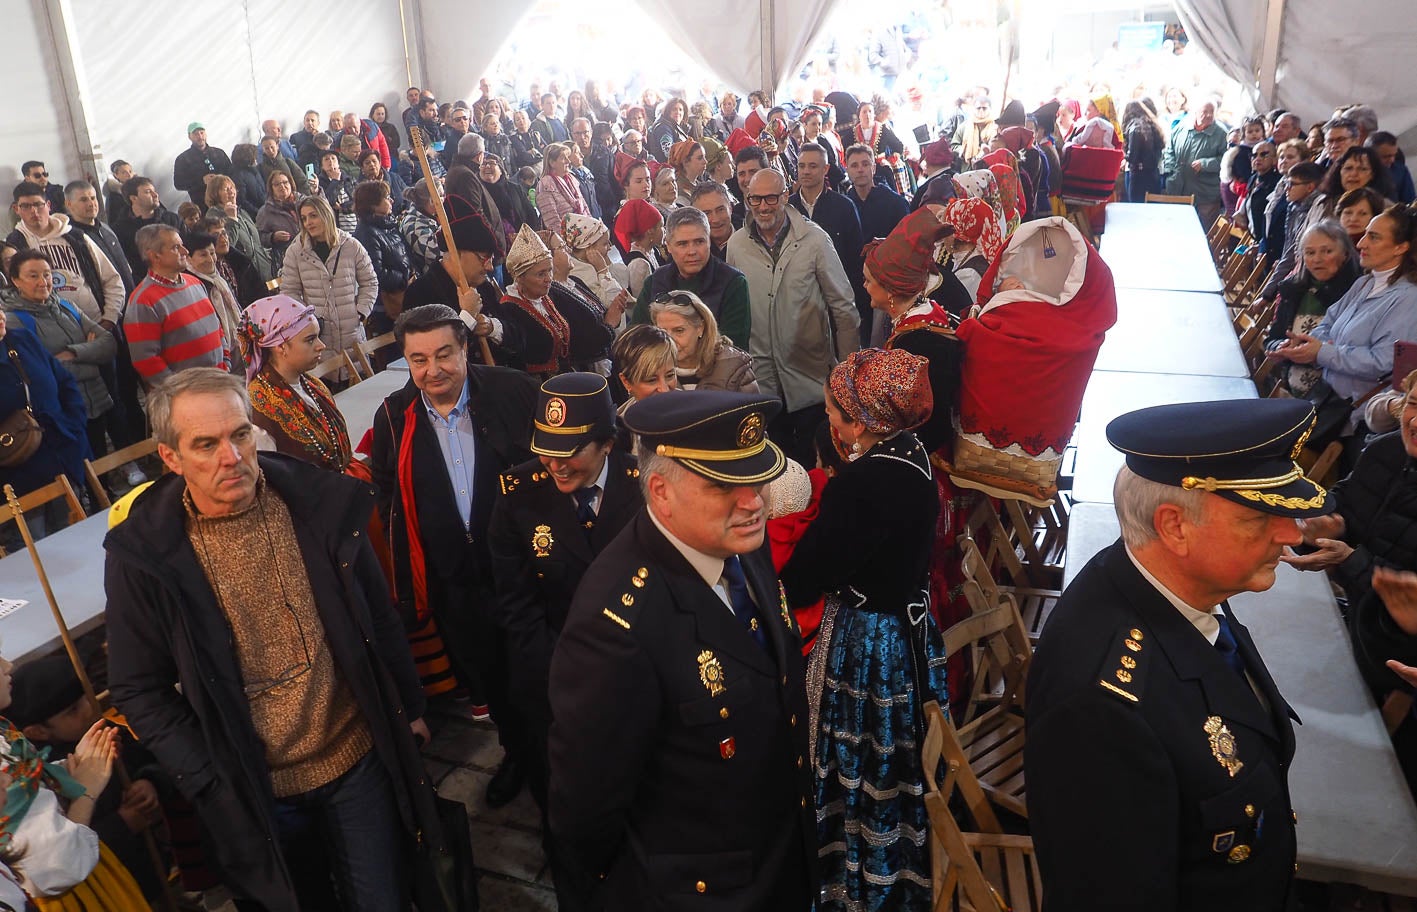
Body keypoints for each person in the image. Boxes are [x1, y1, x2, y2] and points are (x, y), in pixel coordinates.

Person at [105, 367, 441, 911]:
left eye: (239, 434)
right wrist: (210, 776)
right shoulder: (145, 555)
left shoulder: (320, 504)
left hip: (355, 760)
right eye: (206, 444)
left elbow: (377, 617)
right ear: (170, 458)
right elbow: (138, 688)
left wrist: (408, 706)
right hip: (258, 793)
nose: (231, 458)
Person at [1026, 398, 1325, 910]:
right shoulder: (1102, 710)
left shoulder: (1172, 582)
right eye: (1258, 519)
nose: (1291, 534)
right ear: (1175, 526)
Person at [548, 389, 815, 911]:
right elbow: (585, 808)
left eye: (756, 477)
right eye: (723, 485)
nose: (753, 500)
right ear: (660, 491)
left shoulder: (738, 543)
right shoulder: (615, 626)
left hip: (780, 856)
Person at [780, 347, 944, 911]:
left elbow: (811, 573)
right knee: (896, 755)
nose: (827, 421)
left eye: (832, 411)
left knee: (860, 761)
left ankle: (861, 881)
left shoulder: (867, 483)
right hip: (907, 626)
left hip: (870, 644)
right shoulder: (914, 454)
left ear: (860, 420)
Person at [371, 303, 540, 808]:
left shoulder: (513, 392)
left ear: (465, 348)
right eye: (418, 359)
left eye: (444, 354)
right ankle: (518, 754)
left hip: (525, 571)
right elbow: (387, 490)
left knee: (541, 670)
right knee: (490, 674)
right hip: (455, 581)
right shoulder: (393, 417)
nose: (433, 370)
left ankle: (563, 753)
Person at [489, 372, 643, 912]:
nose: (554, 464)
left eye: (570, 451)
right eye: (545, 449)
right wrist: (567, 684)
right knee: (567, 819)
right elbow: (516, 608)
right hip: (554, 692)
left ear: (607, 442)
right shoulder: (517, 497)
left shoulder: (644, 488)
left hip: (636, 686)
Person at [1282, 370, 1417, 790]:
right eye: (1414, 404)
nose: (1416, 421)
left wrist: (1353, 562)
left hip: (1391, 660)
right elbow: (1345, 508)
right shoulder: (1386, 451)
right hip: (1349, 619)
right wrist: (1322, 527)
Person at [1268, 203, 1417, 467]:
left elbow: (1383, 362)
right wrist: (1309, 344)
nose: (1361, 244)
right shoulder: (1365, 282)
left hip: (1354, 417)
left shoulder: (1408, 299)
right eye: (1365, 235)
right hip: (1327, 396)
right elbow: (1330, 323)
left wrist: (1322, 351)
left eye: (1374, 237)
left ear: (1401, 247)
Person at [728, 168, 859, 466]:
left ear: (786, 196)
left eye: (771, 198)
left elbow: (844, 308)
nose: (763, 207)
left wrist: (847, 377)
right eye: (755, 199)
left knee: (819, 467)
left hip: (812, 383)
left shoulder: (815, 241)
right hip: (762, 384)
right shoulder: (737, 245)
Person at [240, 294, 351, 471]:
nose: (321, 345)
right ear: (280, 346)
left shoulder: (314, 384)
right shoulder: (258, 404)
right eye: (310, 340)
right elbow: (269, 475)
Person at [499, 225, 616, 378]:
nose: (548, 279)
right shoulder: (510, 308)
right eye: (541, 274)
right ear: (520, 278)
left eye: (549, 270)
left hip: (568, 377)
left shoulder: (545, 296)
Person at [1262, 220, 1361, 396]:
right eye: (1310, 252)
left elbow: (1357, 354)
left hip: (1336, 397)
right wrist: (1283, 347)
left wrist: (1316, 352)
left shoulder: (1356, 294)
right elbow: (1272, 339)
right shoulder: (1292, 290)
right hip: (1291, 389)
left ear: (1345, 254)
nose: (1317, 259)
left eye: (1327, 251)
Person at [280, 194, 377, 374]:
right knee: (327, 387)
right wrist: (306, 319)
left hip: (351, 330)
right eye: (304, 218)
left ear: (326, 214)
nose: (308, 222)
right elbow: (289, 291)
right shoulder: (296, 251)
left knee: (358, 382)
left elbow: (370, 281)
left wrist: (361, 312)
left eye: (313, 215)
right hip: (319, 333)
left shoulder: (351, 245)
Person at [5, 182, 125, 328]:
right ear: (16, 209)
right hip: (52, 330)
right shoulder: (14, 245)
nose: (34, 211)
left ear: (48, 205)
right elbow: (12, 292)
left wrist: (109, 319)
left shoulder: (77, 237)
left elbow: (111, 278)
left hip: (97, 322)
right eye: (26, 206)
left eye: (38, 204)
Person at [123, 225, 225, 387]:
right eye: (176, 247)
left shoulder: (194, 282)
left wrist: (225, 361)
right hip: (188, 398)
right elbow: (146, 361)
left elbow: (216, 326)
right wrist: (180, 392)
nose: (185, 251)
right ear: (155, 255)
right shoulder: (143, 301)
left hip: (219, 382)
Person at [630, 206, 750, 342]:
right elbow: (636, 338)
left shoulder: (733, 282)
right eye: (682, 244)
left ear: (709, 241)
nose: (692, 251)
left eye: (699, 242)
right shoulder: (654, 281)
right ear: (668, 246)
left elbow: (734, 351)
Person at [791, 143, 868, 344]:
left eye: (813, 166)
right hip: (799, 302)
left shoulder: (843, 206)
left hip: (837, 300)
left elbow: (855, 259)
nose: (806, 171)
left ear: (825, 169)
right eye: (802, 166)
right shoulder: (788, 209)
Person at [650, 289, 757, 392]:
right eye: (662, 332)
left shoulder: (734, 369)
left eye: (679, 330)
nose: (669, 340)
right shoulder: (646, 366)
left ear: (701, 328)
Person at [351, 180, 412, 337]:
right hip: (387, 304)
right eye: (386, 197)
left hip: (405, 291)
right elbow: (376, 272)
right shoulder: (367, 232)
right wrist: (404, 279)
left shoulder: (388, 224)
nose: (391, 200)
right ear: (373, 205)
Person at [183, 232, 244, 375]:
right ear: (189, 259)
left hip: (239, 346)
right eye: (203, 255)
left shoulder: (219, 279)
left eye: (212, 253)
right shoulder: (191, 287)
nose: (211, 259)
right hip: (217, 355)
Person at [1163, 101, 1229, 226]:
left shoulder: (1221, 134)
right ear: (1196, 112)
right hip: (1179, 188)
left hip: (1206, 193)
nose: (1209, 115)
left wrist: (1205, 164)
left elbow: (1226, 160)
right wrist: (1171, 169)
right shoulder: (1181, 127)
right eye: (1205, 111)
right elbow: (1169, 149)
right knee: (1177, 225)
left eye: (1212, 112)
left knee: (1204, 229)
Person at [204, 174, 273, 281]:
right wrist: (232, 219)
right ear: (215, 194)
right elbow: (226, 245)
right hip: (243, 275)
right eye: (226, 189)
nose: (231, 191)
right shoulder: (213, 216)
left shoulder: (242, 212)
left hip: (264, 272)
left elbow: (256, 242)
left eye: (232, 187)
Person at [112, 176, 182, 279]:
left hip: (177, 275)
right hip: (143, 280)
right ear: (133, 198)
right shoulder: (120, 229)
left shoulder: (171, 219)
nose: (155, 195)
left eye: (154, 191)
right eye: (148, 192)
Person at [562, 211, 630, 314]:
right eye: (605, 244)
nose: (610, 247)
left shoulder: (590, 263)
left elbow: (623, 282)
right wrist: (602, 270)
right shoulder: (581, 272)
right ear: (588, 248)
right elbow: (613, 301)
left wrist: (606, 264)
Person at [173, 122, 232, 206]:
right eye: (196, 134)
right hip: (202, 206)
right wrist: (201, 181)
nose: (200, 137)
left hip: (226, 201)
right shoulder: (183, 159)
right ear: (189, 137)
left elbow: (232, 173)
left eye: (202, 132)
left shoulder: (219, 153)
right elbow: (178, 184)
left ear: (206, 134)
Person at [614, 198, 664, 296]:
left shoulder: (652, 250)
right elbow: (641, 298)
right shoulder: (639, 264)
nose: (664, 230)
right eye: (661, 226)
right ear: (650, 231)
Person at [537, 143, 592, 231]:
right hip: (568, 238)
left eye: (568, 157)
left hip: (584, 231)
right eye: (563, 158)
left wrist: (591, 226)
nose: (568, 161)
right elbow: (552, 221)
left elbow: (584, 206)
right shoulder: (545, 185)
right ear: (552, 163)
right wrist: (566, 240)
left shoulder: (572, 179)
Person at [256, 169, 301, 269]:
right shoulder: (265, 212)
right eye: (277, 184)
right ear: (271, 189)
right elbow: (258, 237)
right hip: (288, 260)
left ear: (291, 184)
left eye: (285, 182)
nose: (282, 186)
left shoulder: (303, 201)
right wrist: (272, 237)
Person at [1123, 99, 1166, 201]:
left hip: (1138, 176)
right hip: (1153, 173)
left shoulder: (1134, 127)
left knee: (1136, 209)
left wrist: (1124, 155)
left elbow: (1133, 156)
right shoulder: (1153, 126)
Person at [692, 180, 737, 260]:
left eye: (720, 210)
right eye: (707, 213)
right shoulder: (690, 249)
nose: (716, 220)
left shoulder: (751, 238)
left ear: (730, 208)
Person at [1368, 131, 1416, 204]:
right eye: (1386, 156)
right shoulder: (1356, 173)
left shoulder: (1401, 171)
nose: (1392, 160)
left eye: (1394, 155)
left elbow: (1410, 202)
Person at [317, 150, 358, 233]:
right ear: (322, 166)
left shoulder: (349, 179)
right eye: (326, 159)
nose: (331, 161)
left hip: (355, 225)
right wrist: (335, 181)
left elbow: (358, 201)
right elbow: (328, 201)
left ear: (338, 163)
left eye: (333, 158)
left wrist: (342, 207)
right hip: (336, 229)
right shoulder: (319, 182)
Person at [359, 150, 408, 217]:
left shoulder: (394, 178)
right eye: (367, 163)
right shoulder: (360, 188)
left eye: (374, 161)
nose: (372, 164)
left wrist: (406, 211)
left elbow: (409, 197)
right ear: (362, 168)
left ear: (379, 163)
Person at [645, 97, 691, 162]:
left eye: (680, 110)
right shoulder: (664, 128)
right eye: (674, 109)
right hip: (668, 169)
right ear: (668, 111)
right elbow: (669, 153)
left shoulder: (674, 126)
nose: (677, 112)